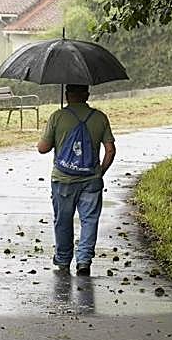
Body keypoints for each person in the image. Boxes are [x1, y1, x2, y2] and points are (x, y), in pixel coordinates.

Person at [37, 84, 116, 276]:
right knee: (89, 220)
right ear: (87, 94)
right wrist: (100, 172)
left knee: (63, 220)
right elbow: (111, 150)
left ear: (67, 94)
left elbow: (42, 148)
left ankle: (63, 260)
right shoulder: (99, 117)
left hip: (63, 179)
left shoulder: (58, 116)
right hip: (91, 179)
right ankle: (84, 261)